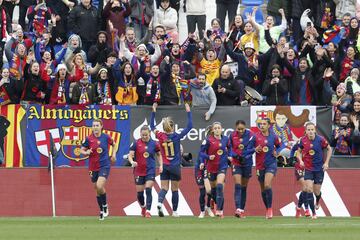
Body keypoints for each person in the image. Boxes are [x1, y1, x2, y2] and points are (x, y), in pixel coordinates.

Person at [150, 102, 193, 217]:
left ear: (163, 128)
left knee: (164, 188)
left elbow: (152, 126)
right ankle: (174, 212)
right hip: (175, 166)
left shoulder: (160, 136)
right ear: (173, 127)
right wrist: (188, 111)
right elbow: (190, 127)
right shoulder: (177, 136)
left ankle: (159, 202)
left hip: (165, 166)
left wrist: (153, 111)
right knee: (175, 189)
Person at [80, 119, 118, 220]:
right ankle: (101, 210)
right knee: (97, 189)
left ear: (101, 126)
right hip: (93, 167)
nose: (95, 127)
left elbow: (114, 144)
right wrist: (86, 152)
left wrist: (113, 155)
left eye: (97, 125)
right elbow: (81, 150)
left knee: (99, 185)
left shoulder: (106, 137)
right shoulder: (88, 139)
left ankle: (105, 205)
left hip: (104, 165)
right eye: (93, 125)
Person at [297, 122, 332, 219]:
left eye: (312, 129)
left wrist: (326, 163)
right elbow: (298, 152)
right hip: (308, 169)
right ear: (306, 131)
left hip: (319, 169)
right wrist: (300, 160)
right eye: (308, 130)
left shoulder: (321, 139)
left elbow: (329, 149)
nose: (310, 131)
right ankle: (313, 213)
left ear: (315, 130)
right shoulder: (302, 141)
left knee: (317, 192)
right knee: (309, 189)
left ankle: (317, 201)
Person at [248, 118, 281, 219]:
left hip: (271, 164)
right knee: (263, 188)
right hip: (260, 166)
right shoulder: (255, 137)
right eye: (260, 124)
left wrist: (277, 151)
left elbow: (280, 145)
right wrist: (254, 149)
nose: (261, 126)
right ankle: (267, 208)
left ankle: (270, 209)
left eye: (264, 124)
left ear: (268, 125)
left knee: (267, 184)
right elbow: (247, 149)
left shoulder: (273, 136)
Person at [128, 125, 163, 218]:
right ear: (140, 134)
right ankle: (143, 207)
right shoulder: (136, 143)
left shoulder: (155, 144)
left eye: (146, 135)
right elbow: (130, 155)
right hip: (138, 171)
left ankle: (148, 211)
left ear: (149, 134)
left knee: (148, 189)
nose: (144, 137)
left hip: (150, 170)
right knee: (140, 194)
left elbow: (159, 155)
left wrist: (161, 165)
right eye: (142, 135)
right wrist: (132, 161)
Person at [199, 122, 230, 218]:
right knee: (213, 190)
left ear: (221, 129)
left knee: (220, 186)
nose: (217, 129)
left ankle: (220, 210)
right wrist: (208, 157)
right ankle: (213, 200)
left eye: (219, 128)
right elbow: (201, 153)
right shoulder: (208, 140)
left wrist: (231, 156)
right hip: (211, 168)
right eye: (215, 128)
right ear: (212, 130)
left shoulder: (226, 139)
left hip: (222, 166)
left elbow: (231, 149)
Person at [228, 120, 253, 218]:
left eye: (242, 129)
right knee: (238, 184)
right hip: (236, 162)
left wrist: (246, 156)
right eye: (239, 129)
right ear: (235, 128)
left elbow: (253, 148)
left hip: (247, 162)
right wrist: (236, 156)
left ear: (245, 127)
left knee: (244, 187)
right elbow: (229, 149)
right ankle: (238, 209)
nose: (241, 131)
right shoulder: (232, 135)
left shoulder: (250, 134)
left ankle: (241, 210)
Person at [195, 125, 215, 218]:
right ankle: (202, 211)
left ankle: (208, 207)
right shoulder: (206, 141)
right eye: (210, 131)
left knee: (209, 191)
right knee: (202, 192)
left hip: (208, 168)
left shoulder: (216, 142)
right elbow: (201, 153)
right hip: (199, 168)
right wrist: (202, 162)